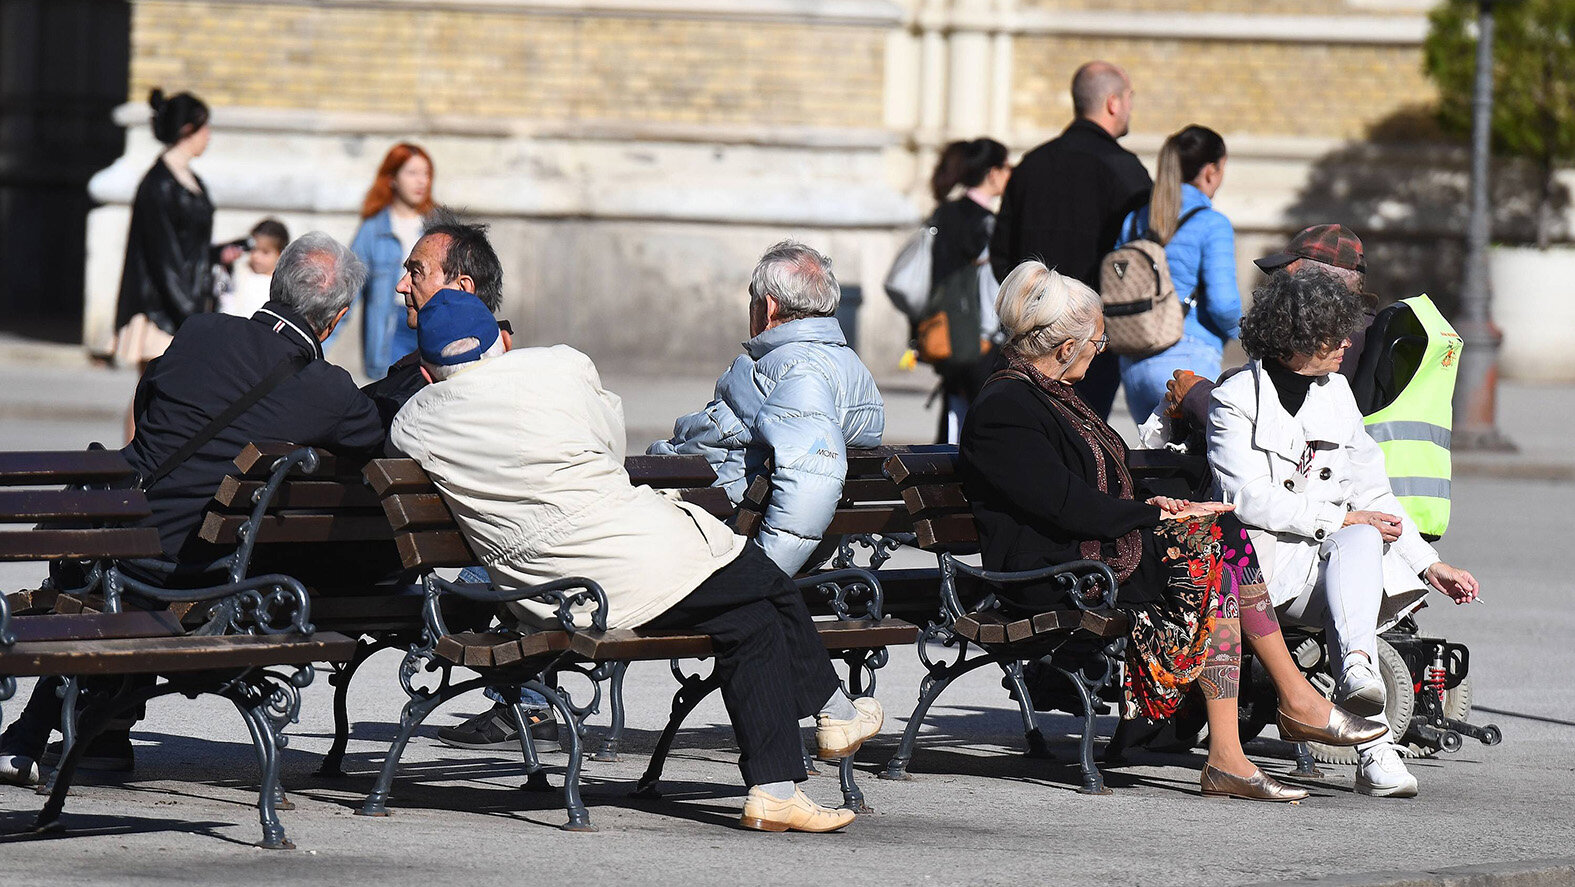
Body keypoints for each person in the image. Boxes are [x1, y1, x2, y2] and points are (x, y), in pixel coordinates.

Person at [390, 290, 883, 832]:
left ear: (428, 372)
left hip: (549, 590)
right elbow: (610, 440)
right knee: (756, 572)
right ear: (502, 341)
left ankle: (774, 790)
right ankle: (835, 710)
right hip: (632, 559)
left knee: (751, 620)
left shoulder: (414, 423)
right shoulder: (559, 368)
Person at [960, 261, 1386, 801]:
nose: (1102, 348)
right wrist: (1155, 517)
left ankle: (1249, 740)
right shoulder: (1007, 407)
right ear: (1064, 348)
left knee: (1219, 535)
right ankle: (1279, 715)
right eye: (1097, 338)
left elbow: (1091, 492)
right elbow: (1066, 505)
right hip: (1051, 572)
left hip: (1086, 549)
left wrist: (1156, 503)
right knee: (1212, 547)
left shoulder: (1048, 394)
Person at [0, 232, 386, 786]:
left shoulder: (201, 330)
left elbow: (149, 401)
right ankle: (95, 734)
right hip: (202, 571)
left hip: (119, 544)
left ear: (274, 286)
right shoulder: (328, 392)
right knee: (151, 558)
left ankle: (81, 734)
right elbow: (377, 436)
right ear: (337, 318)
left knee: (118, 566)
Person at [1205, 267, 1481, 798]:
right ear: (1293, 339)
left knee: (1359, 545)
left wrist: (1430, 565)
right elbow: (1247, 497)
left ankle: (1357, 675)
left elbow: (1375, 494)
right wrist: (1339, 519)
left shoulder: (1335, 393)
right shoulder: (1235, 397)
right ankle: (1375, 753)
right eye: (1333, 334)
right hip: (1260, 575)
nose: (1347, 344)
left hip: (1328, 566)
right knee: (1352, 547)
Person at [648, 241, 884, 576]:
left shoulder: (796, 371)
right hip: (712, 514)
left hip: (713, 530)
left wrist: (764, 575)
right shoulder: (848, 367)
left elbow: (814, 478)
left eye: (753, 300)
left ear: (768, 307)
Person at [989, 61, 1151, 420]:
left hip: (1028, 335)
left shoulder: (1031, 165)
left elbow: (1001, 253)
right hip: (1090, 344)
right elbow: (1144, 262)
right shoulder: (1127, 173)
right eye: (1128, 99)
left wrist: (1032, 304)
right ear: (1113, 103)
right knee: (1084, 441)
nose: (1129, 108)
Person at [112, 89, 244, 440]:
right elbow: (162, 258)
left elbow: (189, 248)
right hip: (159, 308)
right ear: (188, 129)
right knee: (150, 391)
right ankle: (129, 468)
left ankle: (140, 467)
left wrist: (219, 255)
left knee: (164, 392)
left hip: (182, 302)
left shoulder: (190, 180)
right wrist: (191, 317)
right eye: (204, 128)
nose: (209, 136)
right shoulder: (158, 184)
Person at [1114, 125, 1240, 424]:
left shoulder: (1134, 220)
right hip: (1188, 362)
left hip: (1134, 364)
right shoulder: (1212, 224)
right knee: (1191, 466)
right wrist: (1242, 331)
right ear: (1211, 171)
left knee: (1153, 463)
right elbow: (1223, 304)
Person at [924, 138, 1011, 442]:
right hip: (980, 339)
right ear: (992, 173)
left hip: (943, 333)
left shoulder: (944, 213)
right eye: (1006, 167)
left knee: (952, 422)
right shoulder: (989, 224)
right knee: (983, 428)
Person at [341, 143, 437, 379]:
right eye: (412, 173)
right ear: (392, 178)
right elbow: (345, 294)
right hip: (391, 328)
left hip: (431, 324)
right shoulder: (373, 230)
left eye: (426, 173)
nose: (421, 181)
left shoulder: (437, 228)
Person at [217, 218, 290, 319]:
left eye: (265, 252)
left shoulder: (282, 286)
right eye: (254, 250)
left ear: (281, 254)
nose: (256, 256)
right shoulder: (240, 271)